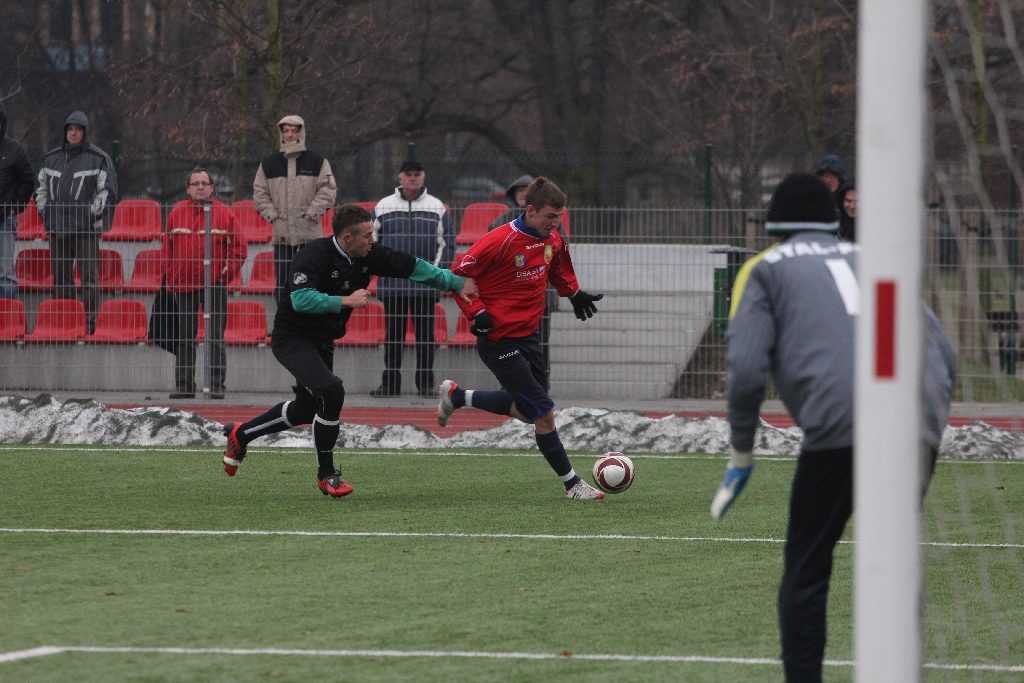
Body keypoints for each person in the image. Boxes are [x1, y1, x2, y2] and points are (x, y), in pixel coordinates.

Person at [709, 172, 955, 683]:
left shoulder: (766, 268)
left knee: (807, 568)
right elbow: (944, 351)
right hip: (915, 425)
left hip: (842, 432)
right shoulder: (874, 258)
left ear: (774, 224)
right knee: (893, 559)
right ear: (832, 217)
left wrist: (740, 456)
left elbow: (747, 369)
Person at [221, 204, 477, 497]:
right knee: (332, 392)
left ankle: (240, 435)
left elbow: (414, 267)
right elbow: (301, 300)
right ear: (346, 238)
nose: (372, 239)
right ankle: (327, 474)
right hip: (292, 339)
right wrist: (346, 301)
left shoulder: (370, 254)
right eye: (367, 235)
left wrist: (456, 282)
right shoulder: (313, 255)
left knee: (307, 408)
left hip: (322, 339)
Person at [436, 177, 607, 500]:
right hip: (498, 339)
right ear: (530, 210)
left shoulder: (552, 238)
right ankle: (572, 485)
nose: (555, 224)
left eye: (559, 217)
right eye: (550, 217)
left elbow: (558, 269)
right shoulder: (499, 241)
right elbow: (458, 275)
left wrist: (574, 293)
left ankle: (458, 397)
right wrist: (477, 312)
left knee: (529, 412)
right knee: (543, 412)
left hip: (529, 335)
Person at [370, 159, 456, 397]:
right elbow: (370, 241)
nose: (412, 178)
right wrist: (382, 269)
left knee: (425, 339)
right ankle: (390, 384)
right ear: (400, 178)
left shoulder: (437, 207)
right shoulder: (383, 206)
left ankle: (426, 384)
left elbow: (447, 244)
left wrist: (435, 276)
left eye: (417, 174)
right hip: (393, 286)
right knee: (393, 338)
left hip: (425, 287)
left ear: (423, 177)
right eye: (408, 174)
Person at [161, 168, 247, 399]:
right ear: (188, 188)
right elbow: (166, 248)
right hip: (184, 285)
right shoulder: (176, 212)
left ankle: (217, 386)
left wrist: (223, 276)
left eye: (204, 183)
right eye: (195, 183)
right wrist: (170, 276)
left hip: (214, 286)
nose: (200, 187)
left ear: (211, 188)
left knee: (215, 337)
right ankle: (184, 386)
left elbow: (239, 249)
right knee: (185, 338)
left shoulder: (225, 213)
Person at [35, 110, 118, 332]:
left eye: (78, 129)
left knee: (89, 280)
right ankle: (65, 321)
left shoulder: (99, 158)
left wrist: (89, 215)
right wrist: (48, 214)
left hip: (86, 231)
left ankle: (89, 324)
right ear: (65, 132)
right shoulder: (51, 157)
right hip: (58, 229)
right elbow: (40, 190)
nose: (73, 133)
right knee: (61, 279)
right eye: (70, 129)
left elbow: (107, 192)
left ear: (85, 132)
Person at [252, 114, 336, 302]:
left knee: (313, 280)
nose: (290, 134)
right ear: (281, 133)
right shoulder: (268, 164)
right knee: (283, 283)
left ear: (301, 132)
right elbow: (260, 193)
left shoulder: (317, 162)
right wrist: (272, 215)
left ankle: (310, 327)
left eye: (294, 130)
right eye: (286, 130)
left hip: (310, 233)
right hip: (282, 235)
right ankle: (285, 325)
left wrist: (311, 214)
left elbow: (328, 191)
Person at [487, 174, 559, 389]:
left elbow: (556, 256)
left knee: (539, 346)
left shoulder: (551, 223)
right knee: (509, 345)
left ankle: (540, 388)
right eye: (519, 192)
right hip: (508, 299)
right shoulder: (500, 223)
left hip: (539, 296)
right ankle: (509, 387)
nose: (524, 196)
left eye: (528, 192)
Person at [0, 102, 35, 300]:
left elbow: (28, 180)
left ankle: (7, 320)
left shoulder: (15, 150)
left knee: (5, 273)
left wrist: (16, 207)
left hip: (5, 219)